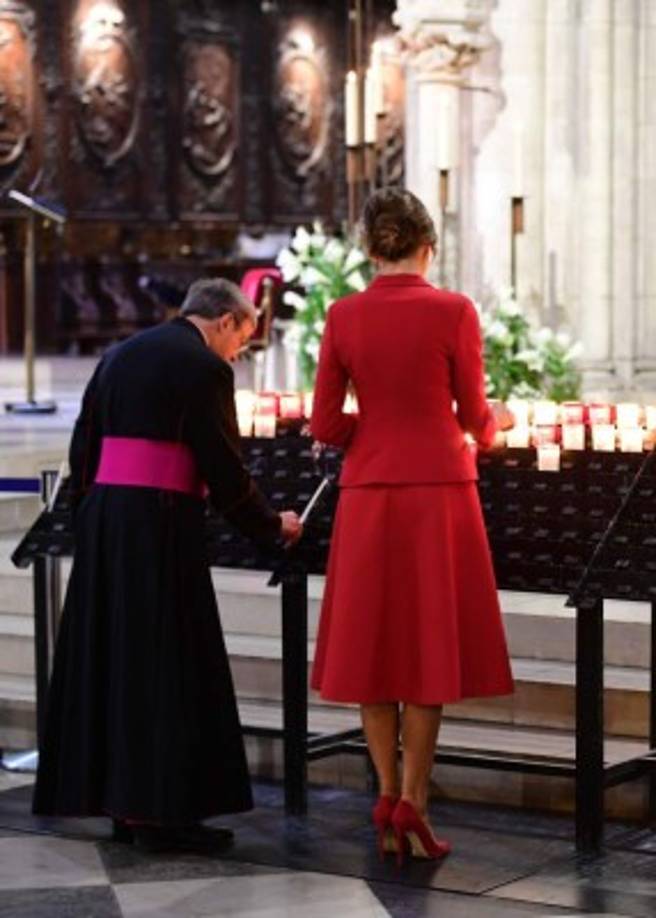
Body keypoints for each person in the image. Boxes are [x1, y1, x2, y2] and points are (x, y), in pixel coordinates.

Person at [33, 278, 302, 853]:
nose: (238, 355)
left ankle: (124, 807)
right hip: (159, 525)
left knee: (117, 663)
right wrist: (269, 524)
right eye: (242, 342)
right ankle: (163, 816)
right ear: (225, 321)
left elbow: (86, 446)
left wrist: (91, 518)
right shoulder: (205, 370)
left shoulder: (120, 354)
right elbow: (224, 470)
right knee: (166, 665)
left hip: (109, 522)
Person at [310, 188, 514, 864]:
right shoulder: (453, 310)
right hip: (439, 496)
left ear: (369, 251)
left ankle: (387, 792)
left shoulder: (342, 314)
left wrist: (374, 433)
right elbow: (475, 417)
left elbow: (326, 425)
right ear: (429, 246)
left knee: (372, 651)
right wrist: (498, 426)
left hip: (368, 491)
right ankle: (415, 803)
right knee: (428, 652)